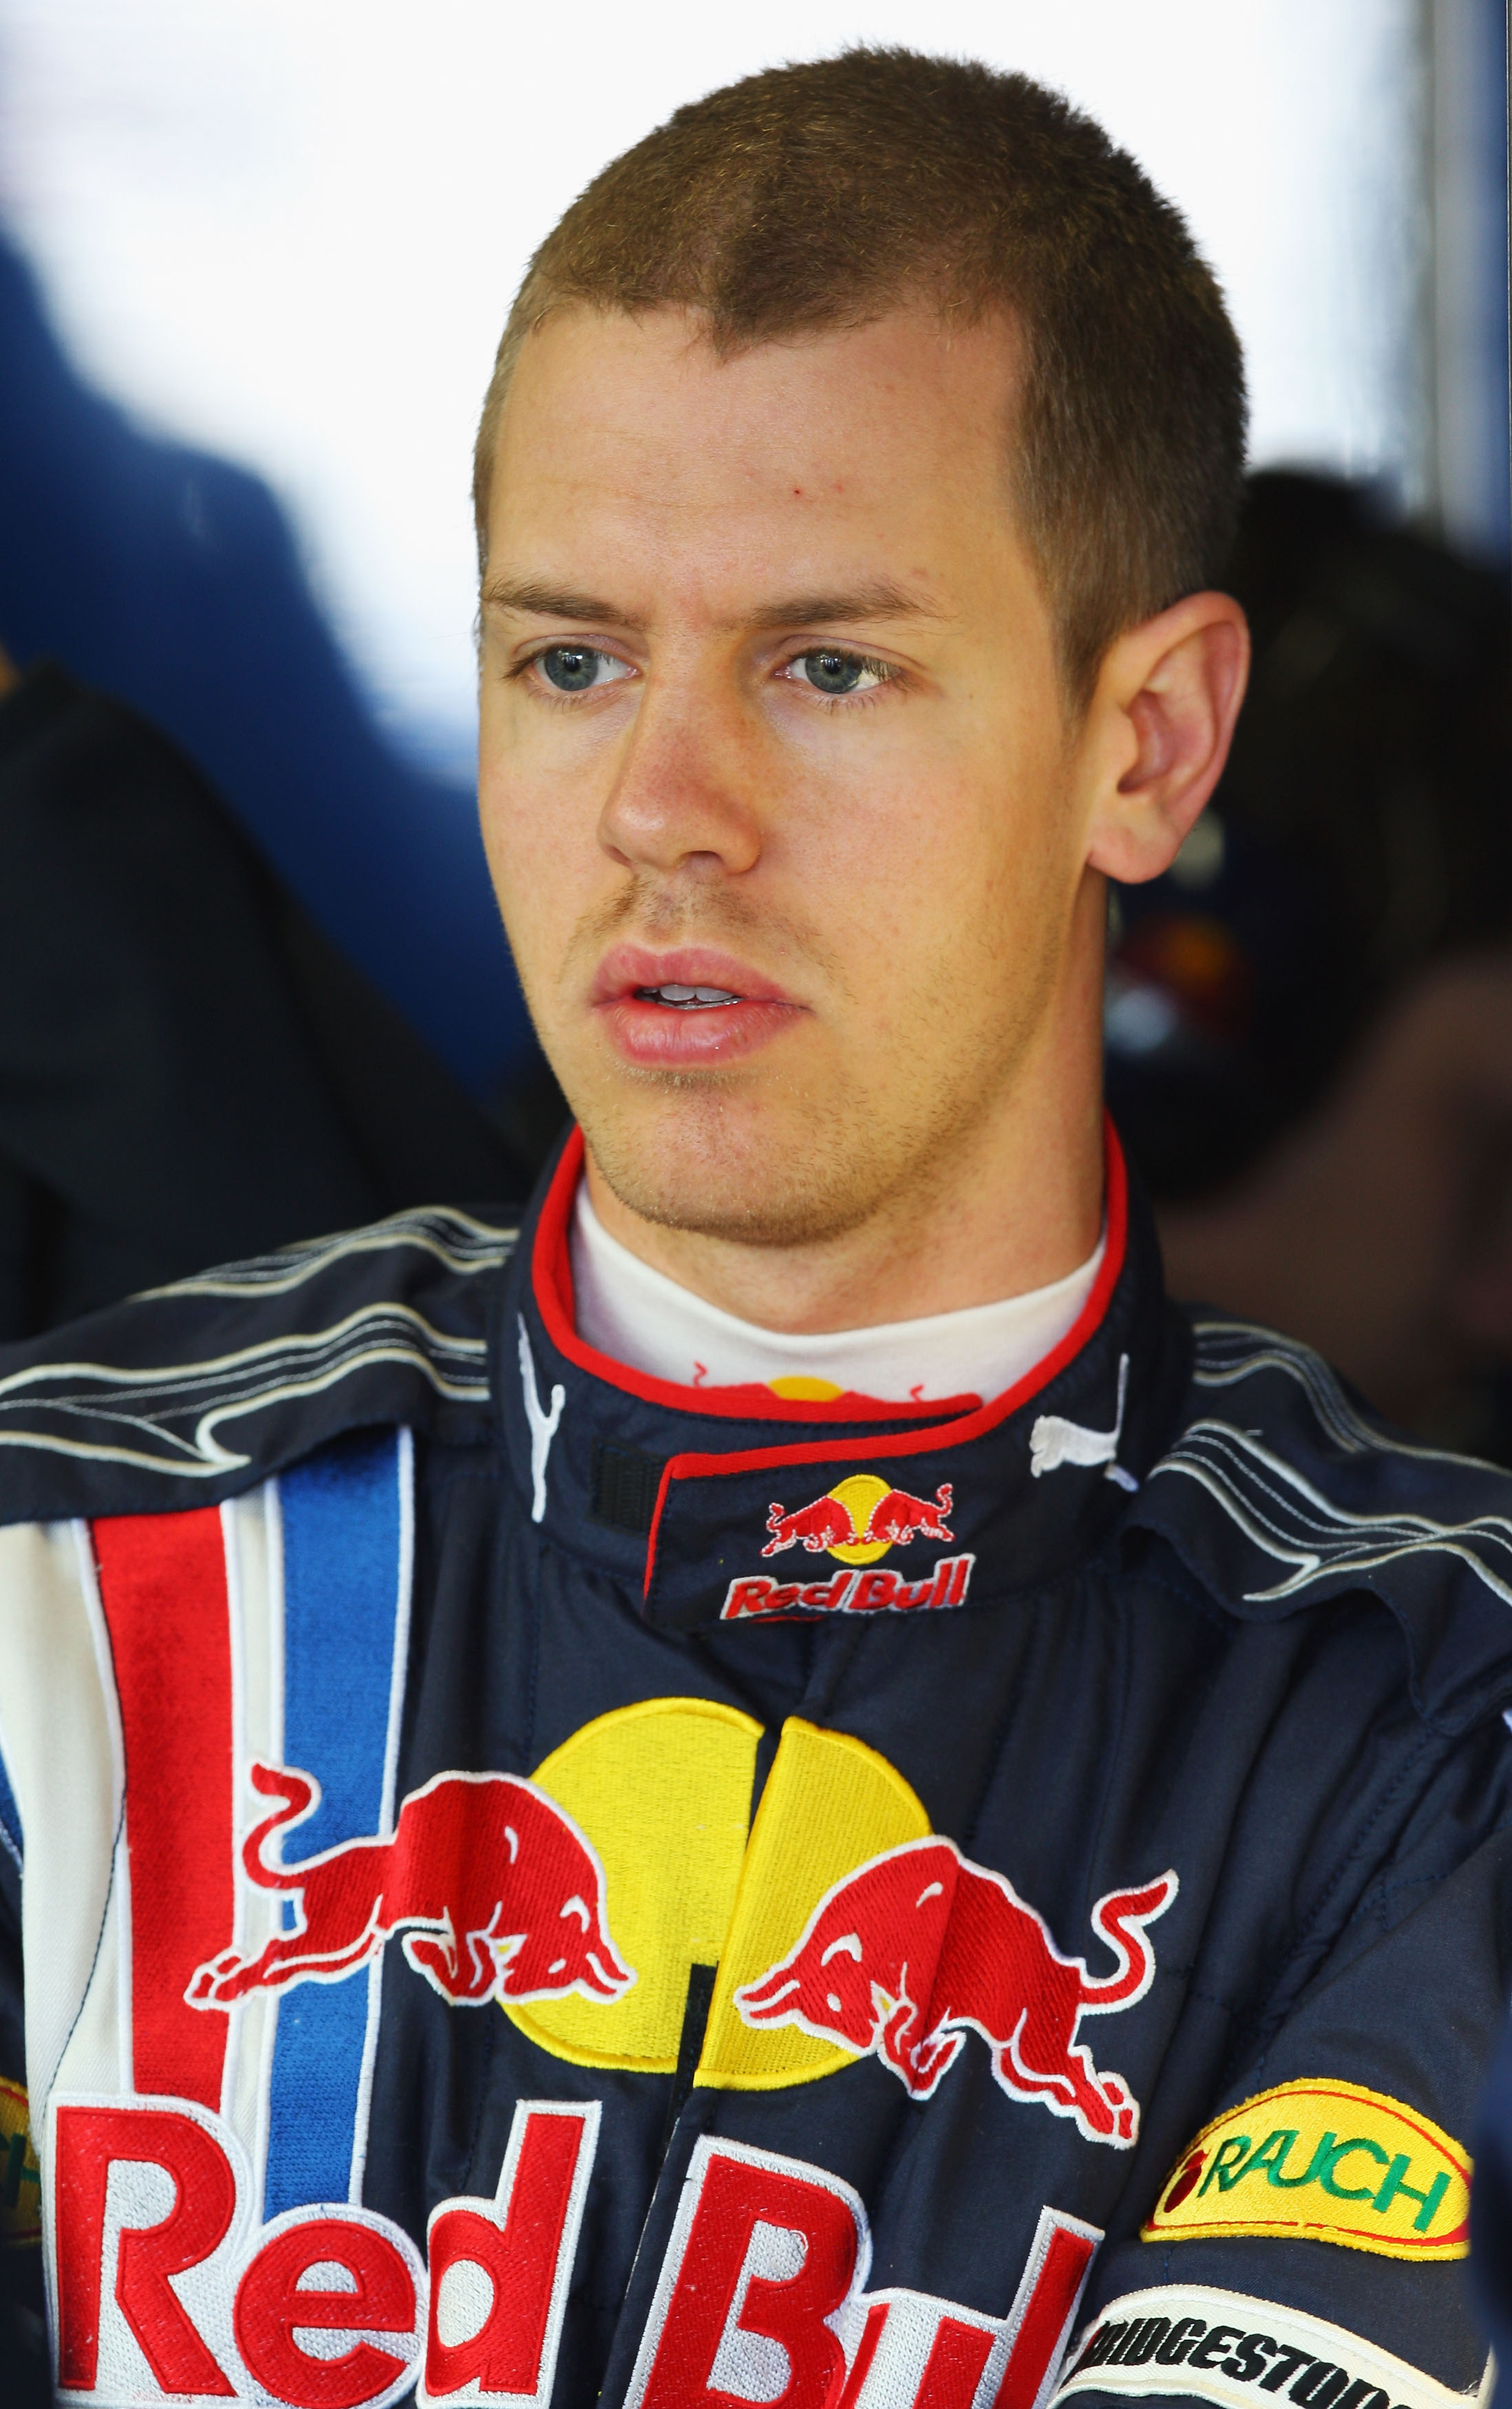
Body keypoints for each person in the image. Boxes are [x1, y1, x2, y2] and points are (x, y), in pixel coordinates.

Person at [0, 50, 1506, 2409]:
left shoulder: (1441, 1708)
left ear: (1148, 745)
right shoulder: (45, 1552)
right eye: (571, 661)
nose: (665, 808)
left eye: (826, 665)